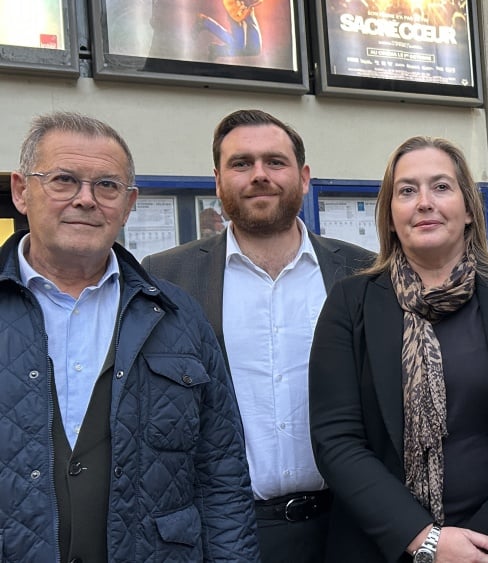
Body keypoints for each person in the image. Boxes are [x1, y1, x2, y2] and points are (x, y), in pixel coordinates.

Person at [0, 112, 258, 561]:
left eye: (106, 186)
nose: (86, 200)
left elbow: (221, 475)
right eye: (63, 180)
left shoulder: (178, 317)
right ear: (22, 191)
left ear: (129, 202)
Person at [142, 109, 373, 562]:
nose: (259, 175)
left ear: (304, 177)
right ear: (217, 180)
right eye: (241, 163)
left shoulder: (362, 271)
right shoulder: (167, 277)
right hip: (227, 535)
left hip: (350, 528)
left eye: (275, 161)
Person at [309, 136, 488, 563]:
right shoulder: (351, 302)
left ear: (470, 210)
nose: (424, 202)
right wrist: (427, 541)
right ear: (390, 215)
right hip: (383, 546)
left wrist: (478, 541)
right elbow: (336, 440)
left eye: (441, 186)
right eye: (407, 190)